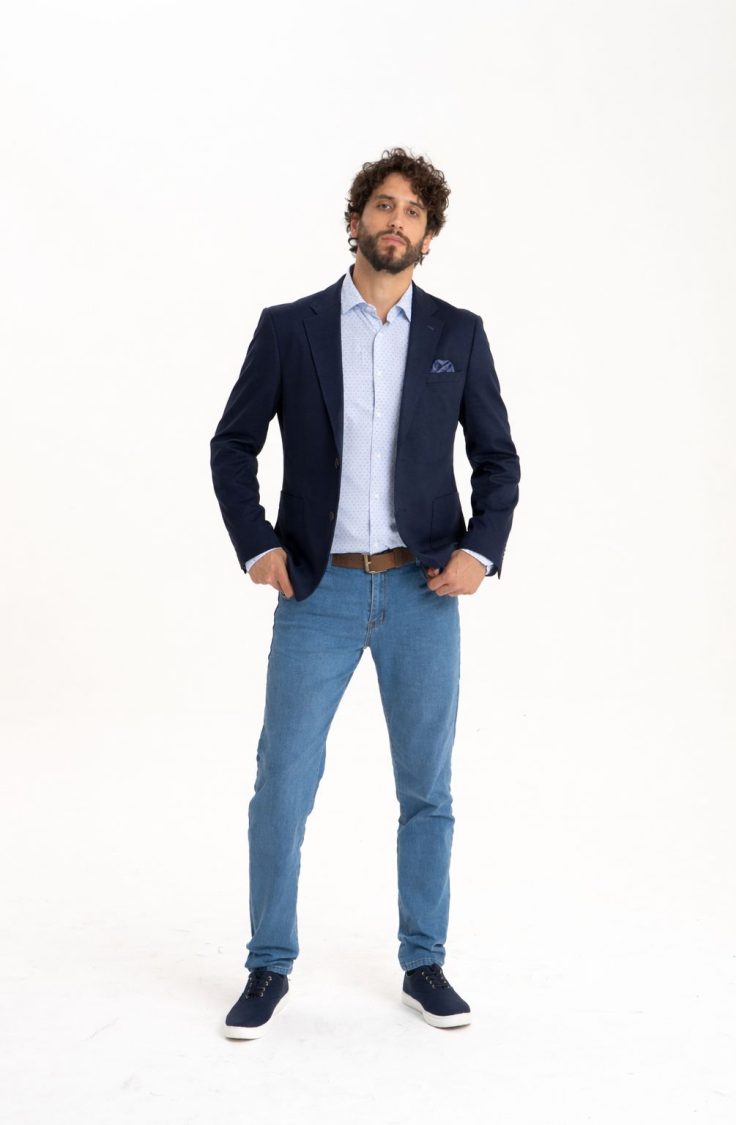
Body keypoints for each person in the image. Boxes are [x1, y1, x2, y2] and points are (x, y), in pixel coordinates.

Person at [210, 147, 520, 1038]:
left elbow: (497, 460)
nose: (397, 221)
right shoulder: (290, 327)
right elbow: (232, 445)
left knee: (428, 789)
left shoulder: (458, 334)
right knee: (282, 784)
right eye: (384, 205)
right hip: (319, 592)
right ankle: (268, 963)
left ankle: (425, 960)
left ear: (429, 235)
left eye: (414, 211)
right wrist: (258, 543)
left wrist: (481, 550)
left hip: (424, 593)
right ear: (355, 221)